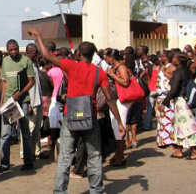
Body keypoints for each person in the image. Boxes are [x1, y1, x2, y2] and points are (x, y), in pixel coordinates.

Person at [28, 29, 125, 194]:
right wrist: (120, 122)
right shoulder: (99, 72)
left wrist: (38, 35)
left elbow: (47, 55)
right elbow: (109, 99)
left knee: (65, 157)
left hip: (70, 116)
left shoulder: (72, 66)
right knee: (94, 156)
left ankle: (60, 190)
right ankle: (96, 189)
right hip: (90, 117)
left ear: (78, 53)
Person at [0, 39, 35, 173]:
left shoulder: (26, 61)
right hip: (9, 102)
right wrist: (2, 100)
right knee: (5, 133)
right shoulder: (5, 62)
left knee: (25, 132)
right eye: (11, 50)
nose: (14, 52)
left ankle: (28, 161)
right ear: (7, 50)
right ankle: (4, 163)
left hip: (23, 100)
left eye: (16, 49)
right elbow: (4, 83)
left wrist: (21, 93)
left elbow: (31, 81)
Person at [162, 52, 196, 160]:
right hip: (185, 100)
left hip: (181, 101)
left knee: (187, 126)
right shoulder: (187, 71)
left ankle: (194, 151)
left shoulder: (178, 72)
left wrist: (165, 101)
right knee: (179, 126)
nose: (172, 59)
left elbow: (174, 89)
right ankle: (179, 150)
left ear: (178, 61)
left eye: (174, 58)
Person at [104, 49, 132, 166]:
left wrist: (112, 75)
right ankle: (118, 153)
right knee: (115, 126)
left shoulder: (121, 68)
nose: (105, 59)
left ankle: (121, 155)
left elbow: (125, 82)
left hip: (121, 100)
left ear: (112, 58)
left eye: (106, 57)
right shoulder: (115, 68)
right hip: (116, 100)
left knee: (119, 125)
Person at [24, 43, 46, 159]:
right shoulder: (25, 66)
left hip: (38, 100)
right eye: (35, 53)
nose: (37, 55)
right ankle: (26, 153)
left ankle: (36, 151)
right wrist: (28, 104)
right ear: (28, 53)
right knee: (29, 129)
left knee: (37, 128)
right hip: (31, 101)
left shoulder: (34, 64)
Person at [156, 50, 176, 147]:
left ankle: (170, 141)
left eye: (163, 56)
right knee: (162, 120)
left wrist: (164, 71)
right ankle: (162, 140)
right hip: (161, 96)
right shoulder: (161, 66)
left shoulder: (171, 67)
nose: (161, 57)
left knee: (169, 120)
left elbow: (173, 78)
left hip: (168, 96)